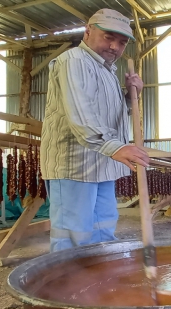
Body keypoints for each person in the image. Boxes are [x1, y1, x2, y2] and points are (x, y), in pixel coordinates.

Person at [40, 8, 149, 252]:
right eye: (108, 37)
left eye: (121, 42)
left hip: (101, 164)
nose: (114, 47)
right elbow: (81, 114)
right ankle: (68, 287)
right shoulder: (74, 60)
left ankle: (99, 283)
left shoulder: (107, 71)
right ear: (88, 31)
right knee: (72, 235)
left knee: (103, 231)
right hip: (74, 165)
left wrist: (131, 96)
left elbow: (107, 116)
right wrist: (116, 147)